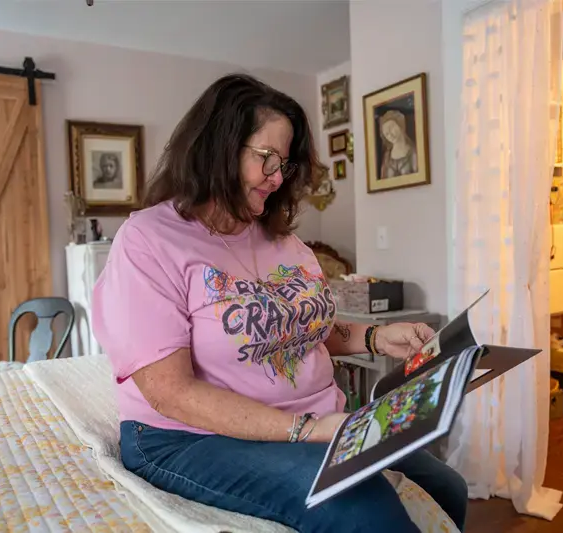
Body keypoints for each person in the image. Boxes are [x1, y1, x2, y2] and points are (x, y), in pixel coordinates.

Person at [92, 74, 468, 533]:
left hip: (309, 423)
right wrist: (308, 431)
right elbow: (171, 392)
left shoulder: (284, 242)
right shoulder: (149, 239)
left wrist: (373, 336)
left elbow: (300, 330)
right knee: (364, 508)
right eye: (266, 158)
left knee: (448, 487)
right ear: (218, 147)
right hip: (188, 437)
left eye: (284, 165)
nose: (276, 178)